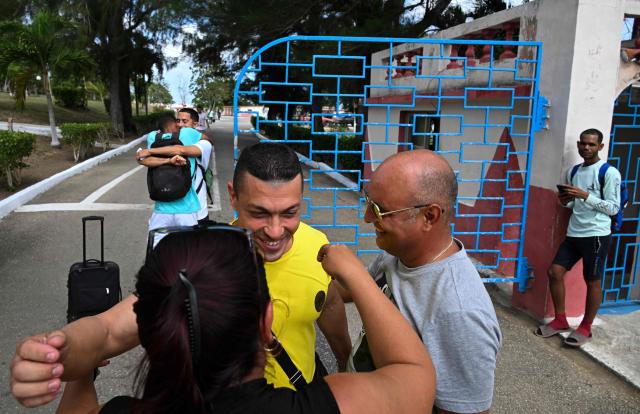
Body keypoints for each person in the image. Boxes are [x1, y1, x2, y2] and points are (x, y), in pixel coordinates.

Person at [9, 143, 351, 407]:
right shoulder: (206, 257)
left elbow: (330, 304)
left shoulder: (317, 245)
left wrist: (343, 356)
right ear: (232, 196)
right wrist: (57, 354)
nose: (276, 231)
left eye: (289, 212)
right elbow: (110, 329)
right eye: (259, 213)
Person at [37, 226, 435, 413]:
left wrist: (80, 367)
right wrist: (358, 277)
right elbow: (412, 373)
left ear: (148, 329)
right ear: (267, 322)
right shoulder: (323, 406)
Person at [345, 149, 502, 414]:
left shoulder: (459, 311)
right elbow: (353, 290)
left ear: (429, 216)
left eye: (380, 210)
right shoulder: (398, 255)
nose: (367, 217)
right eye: (368, 202)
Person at [535, 128, 621, 347]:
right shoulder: (573, 172)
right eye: (583, 143)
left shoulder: (609, 173)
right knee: (555, 272)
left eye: (592, 144)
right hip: (574, 232)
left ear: (600, 146)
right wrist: (566, 201)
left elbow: (613, 208)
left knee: (592, 281)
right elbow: (574, 205)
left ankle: (585, 327)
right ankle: (561, 320)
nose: (586, 148)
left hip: (597, 235)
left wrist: (585, 195)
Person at [137, 109, 213, 234]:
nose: (180, 125)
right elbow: (142, 159)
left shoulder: (204, 144)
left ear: (195, 124)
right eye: (178, 121)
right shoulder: (185, 136)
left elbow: (182, 150)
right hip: (180, 209)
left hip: (197, 210)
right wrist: (168, 160)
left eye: (185, 121)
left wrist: (151, 150)